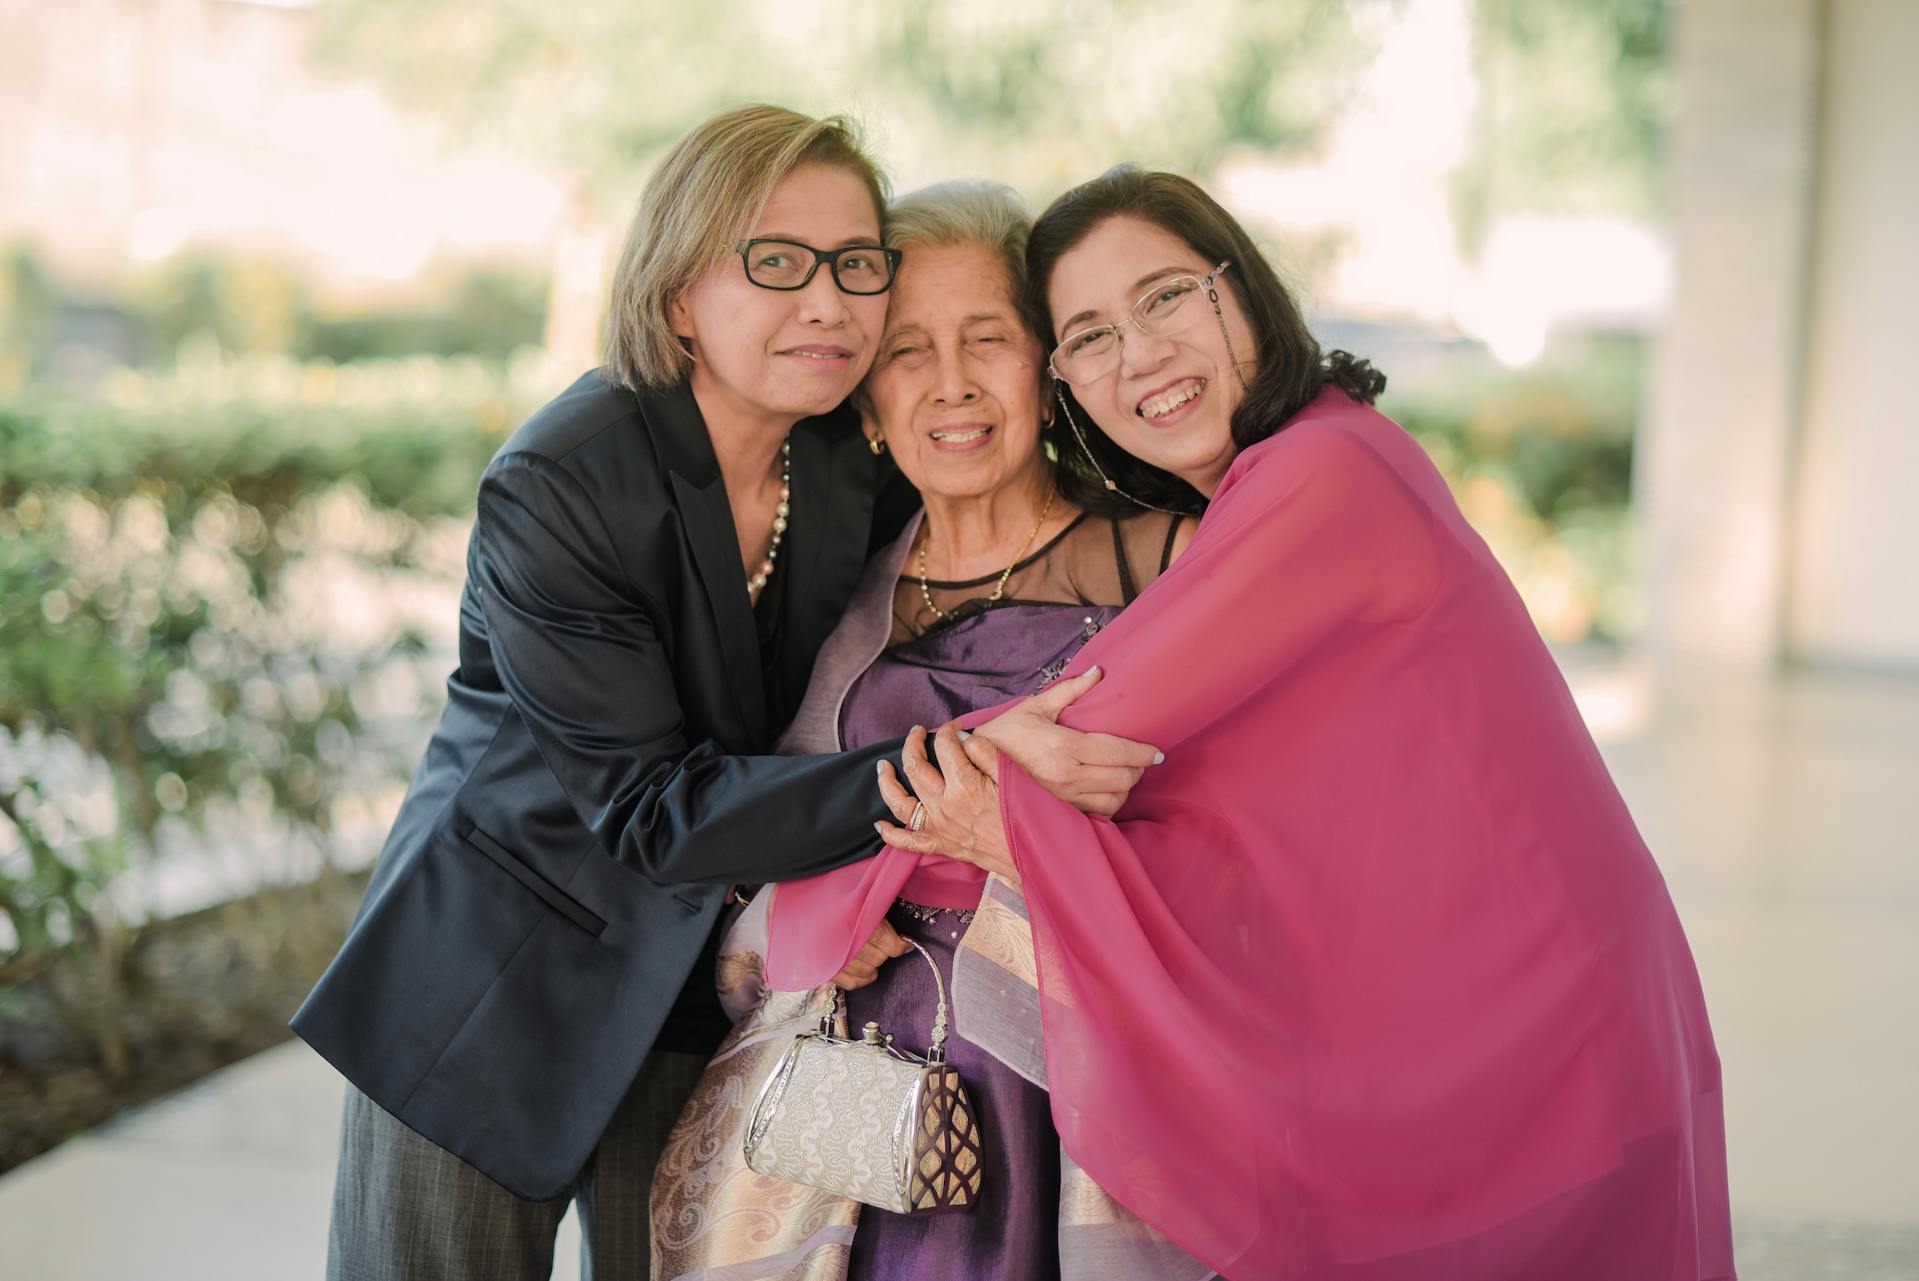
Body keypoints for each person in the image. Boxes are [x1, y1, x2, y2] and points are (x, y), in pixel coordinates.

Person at [290, 107, 1155, 1281]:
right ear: (678, 292)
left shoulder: (850, 459)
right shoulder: (562, 483)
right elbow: (652, 809)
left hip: (697, 998)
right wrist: (975, 761)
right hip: (495, 989)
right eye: (775, 261)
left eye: (856, 265)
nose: (827, 301)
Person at [860, 166, 1737, 1280]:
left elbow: (1078, 738)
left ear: (1246, 289)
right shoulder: (1282, 475)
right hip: (1519, 1024)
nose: (1138, 355)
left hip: (1541, 1054)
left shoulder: (1323, 477)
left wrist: (830, 867)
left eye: (1167, 297)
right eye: (1087, 334)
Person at [647, 179, 1191, 1281]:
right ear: (864, 395)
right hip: (863, 1097)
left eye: (985, 339)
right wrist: (819, 904)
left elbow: (1244, 834)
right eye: (906, 351)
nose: (950, 384)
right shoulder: (837, 598)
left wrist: (1002, 839)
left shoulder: (1167, 561)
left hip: (1078, 1075)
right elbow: (762, 834)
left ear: (1045, 367)